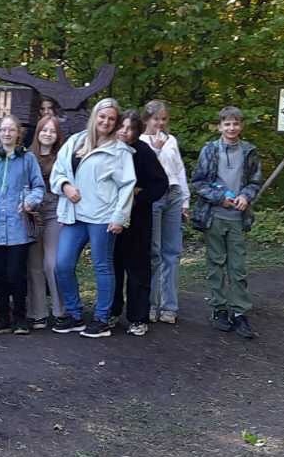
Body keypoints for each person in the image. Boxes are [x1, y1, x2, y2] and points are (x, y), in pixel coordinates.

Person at [50, 98, 135, 338]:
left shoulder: (119, 151)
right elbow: (58, 171)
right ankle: (75, 314)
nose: (106, 121)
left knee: (102, 266)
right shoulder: (75, 141)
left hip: (102, 217)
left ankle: (101, 318)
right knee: (62, 265)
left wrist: (120, 217)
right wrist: (65, 185)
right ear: (94, 116)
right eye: (102, 116)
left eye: (111, 118)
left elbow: (127, 186)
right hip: (74, 215)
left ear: (115, 122)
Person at [191, 106, 263, 339]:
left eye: (236, 124)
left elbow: (254, 181)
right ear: (220, 126)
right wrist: (219, 198)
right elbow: (199, 182)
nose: (231, 128)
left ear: (241, 126)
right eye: (227, 124)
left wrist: (245, 196)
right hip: (214, 216)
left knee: (238, 267)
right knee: (216, 264)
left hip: (238, 219)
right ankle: (219, 308)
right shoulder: (209, 150)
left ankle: (240, 312)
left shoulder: (249, 151)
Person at [0, 116, 45, 335]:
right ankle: (2, 318)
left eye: (11, 130)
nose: (7, 133)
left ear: (18, 133)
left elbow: (39, 187)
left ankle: (20, 317)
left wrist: (30, 201)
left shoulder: (27, 159)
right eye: (4, 130)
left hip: (18, 225)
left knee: (16, 273)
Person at [111, 111, 170, 336]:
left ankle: (138, 317)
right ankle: (112, 311)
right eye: (121, 127)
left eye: (130, 128)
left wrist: (139, 197)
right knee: (112, 267)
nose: (125, 131)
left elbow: (160, 183)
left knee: (137, 270)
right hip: (108, 219)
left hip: (138, 221)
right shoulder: (107, 149)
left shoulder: (143, 152)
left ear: (137, 131)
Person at [142, 100, 189, 324]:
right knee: (154, 252)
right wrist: (156, 149)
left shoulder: (172, 140)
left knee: (172, 252)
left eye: (163, 119)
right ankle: (151, 304)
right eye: (155, 119)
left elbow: (179, 170)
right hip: (154, 198)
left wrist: (185, 201)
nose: (160, 123)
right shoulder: (140, 142)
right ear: (146, 120)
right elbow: (149, 171)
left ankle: (170, 306)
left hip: (174, 195)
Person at [25, 115, 71, 332]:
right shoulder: (27, 156)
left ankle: (60, 311)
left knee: (51, 263)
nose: (48, 134)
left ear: (57, 135)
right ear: (38, 132)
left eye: (52, 131)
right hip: (32, 213)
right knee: (34, 264)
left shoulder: (62, 156)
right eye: (44, 130)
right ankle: (37, 313)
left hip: (54, 210)